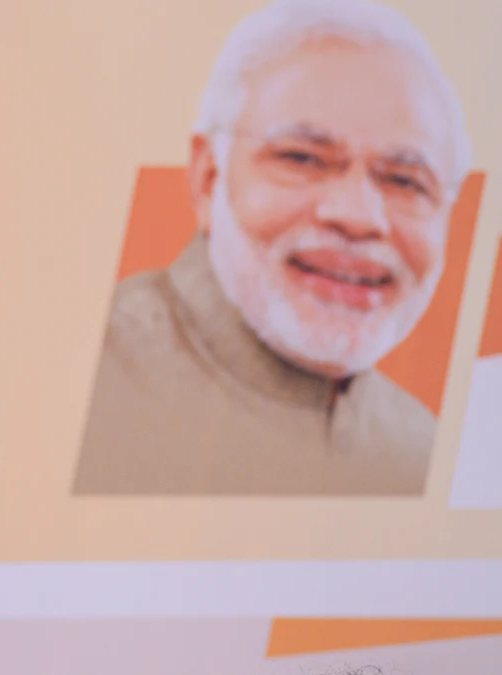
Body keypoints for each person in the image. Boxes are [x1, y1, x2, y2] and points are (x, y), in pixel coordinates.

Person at [74, 0, 472, 495]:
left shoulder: (433, 456)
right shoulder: (75, 382)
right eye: (303, 158)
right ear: (208, 178)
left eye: (405, 181)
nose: (358, 216)